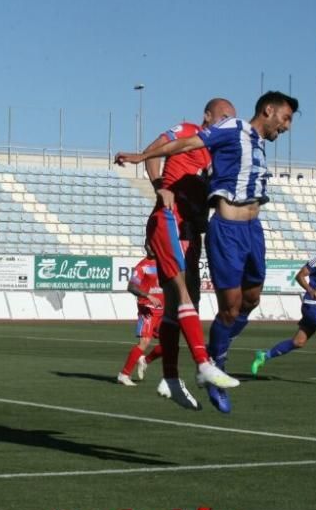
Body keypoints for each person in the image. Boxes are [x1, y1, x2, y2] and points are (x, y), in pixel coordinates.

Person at [118, 91, 299, 413]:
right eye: (284, 118)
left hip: (234, 230)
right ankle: (209, 366)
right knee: (198, 301)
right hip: (208, 226)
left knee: (234, 300)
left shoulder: (226, 152)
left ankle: (174, 377)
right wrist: (150, 170)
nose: (286, 127)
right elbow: (179, 144)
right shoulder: (214, 130)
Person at [114, 97, 239, 411]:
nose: (227, 124)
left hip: (190, 231)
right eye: (223, 117)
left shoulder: (217, 156)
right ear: (207, 116)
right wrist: (159, 186)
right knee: (182, 296)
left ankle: (170, 378)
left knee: (179, 308)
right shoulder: (188, 131)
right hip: (170, 219)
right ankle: (203, 364)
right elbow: (154, 151)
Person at [251, 233, 316, 386]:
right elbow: (300, 276)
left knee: (298, 342)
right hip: (311, 304)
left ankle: (264, 356)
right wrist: (310, 290)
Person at [116, 248, 164, 386]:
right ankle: (124, 375)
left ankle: (145, 361)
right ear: (146, 247)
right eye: (149, 245)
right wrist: (148, 296)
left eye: (154, 244)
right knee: (144, 342)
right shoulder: (142, 266)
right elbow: (131, 287)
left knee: (169, 345)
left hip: (163, 310)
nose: (152, 247)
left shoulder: (163, 263)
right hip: (147, 309)